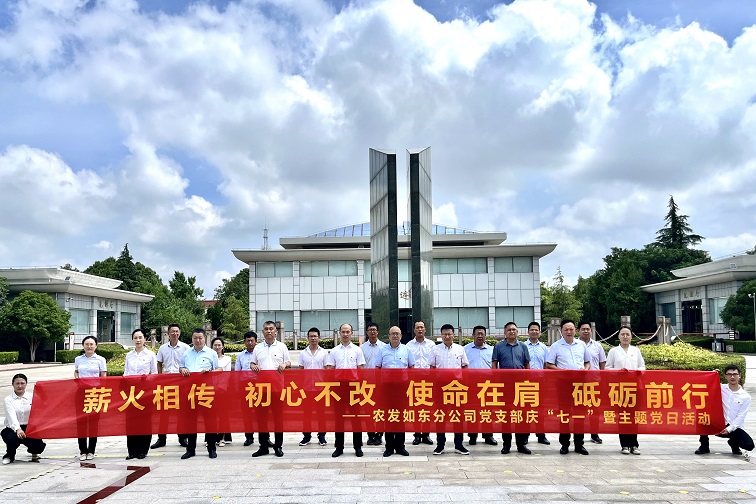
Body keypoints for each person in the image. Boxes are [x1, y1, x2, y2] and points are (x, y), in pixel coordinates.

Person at [545, 319, 590, 455]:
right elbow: (549, 364)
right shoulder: (556, 346)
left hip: (580, 384)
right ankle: (564, 444)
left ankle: (579, 444)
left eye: (571, 329)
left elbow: (587, 362)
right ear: (561, 331)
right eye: (566, 329)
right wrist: (561, 371)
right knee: (564, 414)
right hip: (563, 384)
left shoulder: (581, 345)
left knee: (579, 414)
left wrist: (585, 370)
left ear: (575, 330)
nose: (569, 332)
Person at [695, 364, 753, 460]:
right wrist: (712, 375)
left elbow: (740, 417)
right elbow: (705, 384)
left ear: (740, 376)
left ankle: (733, 443)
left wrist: (729, 429)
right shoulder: (720, 388)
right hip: (718, 424)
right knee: (702, 418)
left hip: (733, 427)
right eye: (729, 374)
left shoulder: (745, 397)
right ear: (725, 376)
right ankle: (704, 446)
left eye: (735, 374)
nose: (732, 377)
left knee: (749, 445)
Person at [250, 321, 290, 458]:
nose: (269, 331)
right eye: (266, 329)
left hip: (278, 388)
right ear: (262, 332)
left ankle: (278, 446)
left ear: (276, 331)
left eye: (271, 329)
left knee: (278, 418)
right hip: (261, 389)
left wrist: (284, 364)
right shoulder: (257, 348)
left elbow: (289, 362)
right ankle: (263, 446)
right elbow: (252, 363)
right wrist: (253, 366)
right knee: (261, 418)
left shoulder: (282, 347)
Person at [178, 328, 220, 459]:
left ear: (204, 338)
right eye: (195, 338)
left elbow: (219, 369)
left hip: (206, 391)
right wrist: (182, 369)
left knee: (210, 421)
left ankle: (212, 448)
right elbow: (181, 367)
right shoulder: (186, 353)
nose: (198, 340)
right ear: (192, 339)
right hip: (190, 392)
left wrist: (210, 372)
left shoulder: (211, 353)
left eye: (200, 338)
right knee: (190, 421)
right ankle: (190, 449)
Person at [326, 323, 365, 457]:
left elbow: (361, 369)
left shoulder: (357, 350)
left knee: (356, 418)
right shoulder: (334, 351)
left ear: (352, 333)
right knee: (339, 418)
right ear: (340, 333)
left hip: (354, 387)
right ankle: (339, 447)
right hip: (339, 387)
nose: (345, 334)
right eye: (343, 332)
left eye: (348, 332)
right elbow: (330, 369)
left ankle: (358, 447)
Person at [430, 324, 470, 456]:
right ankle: (440, 445)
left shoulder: (460, 349)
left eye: (449, 334)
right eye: (444, 334)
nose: (447, 336)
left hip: (456, 387)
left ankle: (459, 445)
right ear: (441, 335)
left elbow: (465, 367)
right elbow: (432, 368)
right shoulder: (435, 349)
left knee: (457, 416)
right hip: (440, 388)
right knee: (440, 416)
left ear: (453, 335)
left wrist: (464, 383)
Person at [492, 322, 531, 455]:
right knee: (506, 416)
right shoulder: (498, 346)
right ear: (505, 332)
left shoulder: (523, 346)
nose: (512, 331)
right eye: (509, 330)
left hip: (520, 386)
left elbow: (527, 365)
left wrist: (527, 382)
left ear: (517, 331)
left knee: (520, 416)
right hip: (505, 387)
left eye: (514, 329)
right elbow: (494, 365)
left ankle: (521, 445)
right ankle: (506, 445)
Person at [605, 325, 645, 455]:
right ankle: (624, 445)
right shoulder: (613, 351)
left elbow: (642, 366)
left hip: (635, 388)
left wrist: (638, 371)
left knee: (634, 416)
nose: (625, 337)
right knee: (622, 416)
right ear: (618, 336)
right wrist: (618, 371)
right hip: (619, 388)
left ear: (631, 336)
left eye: (628, 334)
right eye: (623, 334)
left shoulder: (636, 351)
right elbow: (607, 368)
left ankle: (634, 444)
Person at [375, 325, 414, 457]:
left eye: (397, 333)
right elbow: (377, 369)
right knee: (389, 417)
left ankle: (400, 446)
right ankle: (389, 447)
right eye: (393, 334)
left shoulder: (406, 350)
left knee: (401, 417)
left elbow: (411, 368)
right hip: (387, 388)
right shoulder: (382, 350)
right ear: (389, 336)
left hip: (402, 388)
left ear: (401, 336)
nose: (395, 336)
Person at [152, 323, 190, 449]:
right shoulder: (163, 348)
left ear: (180, 333)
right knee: (164, 412)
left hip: (181, 382)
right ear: (168, 334)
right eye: (172, 331)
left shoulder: (185, 348)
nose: (175, 333)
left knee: (181, 412)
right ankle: (161, 439)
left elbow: (188, 363)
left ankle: (182, 437)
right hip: (166, 383)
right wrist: (160, 377)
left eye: (177, 331)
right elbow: (159, 363)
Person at [123, 328, 157, 460]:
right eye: (135, 338)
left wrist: (147, 379)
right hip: (131, 392)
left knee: (145, 421)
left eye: (140, 337)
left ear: (145, 339)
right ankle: (132, 451)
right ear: (133, 340)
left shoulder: (150, 355)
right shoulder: (129, 355)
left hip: (145, 392)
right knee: (131, 421)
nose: (138, 340)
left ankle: (143, 450)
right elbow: (126, 373)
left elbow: (155, 373)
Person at [463, 325, 497, 446]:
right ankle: (472, 436)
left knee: (487, 411)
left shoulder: (492, 350)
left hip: (488, 385)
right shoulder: (465, 349)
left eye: (482, 334)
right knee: (472, 410)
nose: (480, 336)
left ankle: (488, 435)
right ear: (473, 335)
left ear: (485, 335)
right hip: (471, 385)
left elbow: (496, 368)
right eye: (477, 333)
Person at [74, 335, 107, 460]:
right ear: (83, 346)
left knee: (93, 423)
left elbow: (103, 377)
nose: (89, 346)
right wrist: (77, 378)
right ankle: (83, 451)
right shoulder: (78, 359)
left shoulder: (101, 359)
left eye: (91, 344)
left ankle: (91, 451)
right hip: (81, 393)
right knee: (81, 422)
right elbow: (76, 372)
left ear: (96, 346)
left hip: (95, 393)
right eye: (86, 344)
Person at [2, 374, 46, 464]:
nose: (20, 386)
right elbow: (11, 416)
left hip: (29, 427)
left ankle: (34, 453)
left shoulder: (33, 397)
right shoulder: (8, 399)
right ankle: (9, 456)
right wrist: (18, 429)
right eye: (17, 383)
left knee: (38, 445)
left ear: (26, 384)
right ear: (12, 384)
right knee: (11, 439)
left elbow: (41, 410)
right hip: (13, 428)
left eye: (22, 383)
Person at [406, 321, 436, 446]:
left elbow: (434, 363)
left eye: (421, 327)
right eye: (417, 327)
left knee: (427, 408)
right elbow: (408, 364)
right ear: (414, 330)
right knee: (416, 408)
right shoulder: (408, 345)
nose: (419, 329)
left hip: (428, 380)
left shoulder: (431, 345)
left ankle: (426, 434)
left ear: (425, 330)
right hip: (414, 380)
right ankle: (417, 434)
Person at [298, 327, 328, 448]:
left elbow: (327, 370)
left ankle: (322, 435)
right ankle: (306, 436)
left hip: (321, 389)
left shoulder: (324, 353)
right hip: (307, 388)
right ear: (308, 338)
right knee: (307, 413)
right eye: (311, 336)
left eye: (315, 336)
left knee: (321, 413)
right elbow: (300, 370)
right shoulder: (303, 353)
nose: (313, 338)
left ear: (319, 337)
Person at [578, 321, 606, 444]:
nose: (585, 331)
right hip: (578, 383)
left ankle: (594, 434)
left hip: (594, 382)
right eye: (583, 329)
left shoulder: (597, 346)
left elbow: (602, 364)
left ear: (591, 330)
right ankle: (579, 435)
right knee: (579, 410)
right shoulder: (575, 345)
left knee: (595, 410)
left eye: (587, 329)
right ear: (578, 330)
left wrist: (602, 379)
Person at [526, 321, 550, 445]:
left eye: (536, 330)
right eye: (532, 330)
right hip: (525, 383)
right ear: (528, 332)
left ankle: (541, 435)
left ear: (540, 332)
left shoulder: (544, 347)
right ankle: (525, 435)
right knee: (526, 410)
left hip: (540, 383)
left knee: (540, 410)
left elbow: (546, 365)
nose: (534, 332)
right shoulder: (523, 346)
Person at [362, 322, 386, 446]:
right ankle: (370, 435)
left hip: (380, 385)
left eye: (374, 330)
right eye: (370, 330)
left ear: (378, 332)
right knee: (368, 411)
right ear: (367, 332)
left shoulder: (384, 347)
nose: (372, 332)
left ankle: (379, 435)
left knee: (380, 410)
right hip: (366, 385)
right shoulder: (362, 348)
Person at [235, 331, 258, 447]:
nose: (250, 343)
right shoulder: (240, 356)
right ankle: (249, 437)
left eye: (252, 341)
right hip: (245, 386)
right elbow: (237, 373)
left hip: (259, 386)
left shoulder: (260, 354)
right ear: (244, 342)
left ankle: (265, 437)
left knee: (261, 412)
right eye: (247, 341)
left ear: (256, 341)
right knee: (246, 413)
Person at [211, 337, 232, 447]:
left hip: (223, 389)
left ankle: (222, 438)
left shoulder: (227, 359)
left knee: (223, 414)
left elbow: (226, 373)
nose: (217, 347)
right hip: (209, 389)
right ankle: (211, 439)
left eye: (219, 345)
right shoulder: (208, 358)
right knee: (211, 415)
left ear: (223, 347)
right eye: (215, 345)